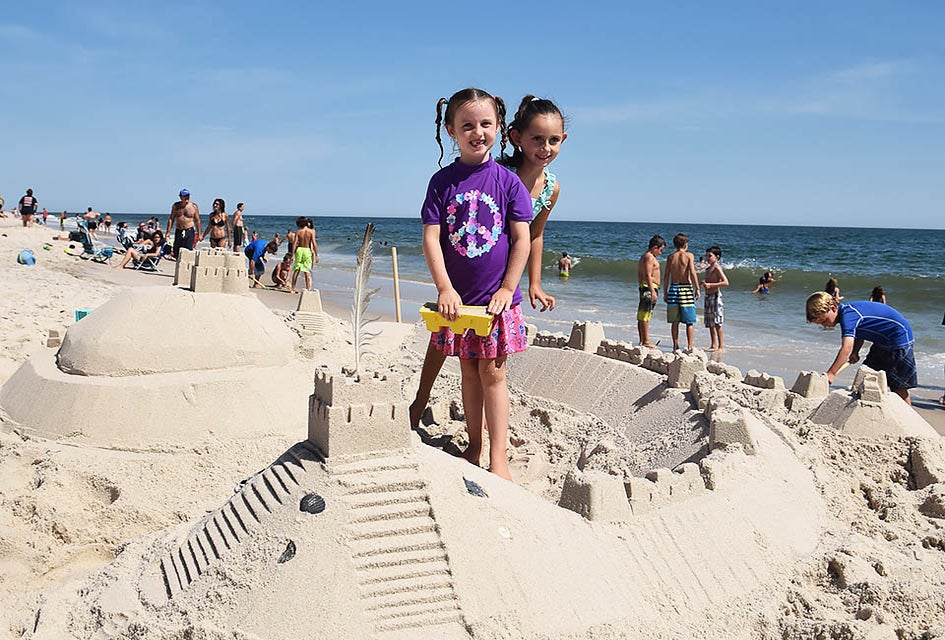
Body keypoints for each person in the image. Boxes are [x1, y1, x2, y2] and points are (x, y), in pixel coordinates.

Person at [410, 94, 568, 430]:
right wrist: (445, 286)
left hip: (498, 281)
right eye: (536, 139)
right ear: (516, 138)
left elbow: (533, 235)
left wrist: (532, 282)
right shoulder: (500, 170)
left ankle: (487, 441)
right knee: (445, 339)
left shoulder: (549, 187)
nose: (544, 148)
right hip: (467, 273)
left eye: (553, 140)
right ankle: (422, 397)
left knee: (486, 365)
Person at [418, 87, 531, 481]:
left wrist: (507, 288)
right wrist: (445, 288)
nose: (477, 132)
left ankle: (498, 457)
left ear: (499, 128)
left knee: (494, 373)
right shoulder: (441, 182)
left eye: (486, 124)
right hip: (460, 302)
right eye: (467, 125)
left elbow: (522, 240)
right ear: (451, 130)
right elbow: (432, 238)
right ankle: (474, 445)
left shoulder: (509, 183)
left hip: (498, 302)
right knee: (468, 371)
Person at [806, 291, 916, 405]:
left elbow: (846, 347)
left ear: (833, 308)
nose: (824, 325)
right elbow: (859, 332)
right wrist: (856, 351)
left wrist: (831, 373)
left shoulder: (848, 316)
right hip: (882, 342)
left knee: (898, 387)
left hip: (899, 340)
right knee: (867, 376)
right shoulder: (847, 313)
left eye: (824, 320)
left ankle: (908, 415)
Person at [663, 233, 699, 351]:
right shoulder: (689, 256)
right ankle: (690, 346)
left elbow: (666, 275)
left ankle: (675, 345)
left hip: (674, 288)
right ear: (685, 244)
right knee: (689, 321)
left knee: (675, 321)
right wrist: (697, 288)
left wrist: (665, 292)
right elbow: (692, 273)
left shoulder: (671, 257)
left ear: (674, 245)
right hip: (686, 288)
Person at [637, 235, 666, 348]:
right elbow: (648, 275)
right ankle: (646, 341)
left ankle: (642, 340)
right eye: (661, 250)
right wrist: (652, 290)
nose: (661, 253)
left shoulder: (644, 257)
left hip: (646, 287)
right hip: (649, 287)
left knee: (643, 314)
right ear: (655, 247)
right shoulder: (649, 257)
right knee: (645, 314)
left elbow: (640, 274)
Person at [701, 245, 729, 351]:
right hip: (708, 296)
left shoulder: (717, 267)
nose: (707, 258)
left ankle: (721, 345)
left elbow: (726, 282)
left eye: (710, 256)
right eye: (706, 256)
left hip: (715, 296)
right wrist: (705, 284)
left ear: (717, 257)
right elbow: (709, 282)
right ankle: (713, 344)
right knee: (710, 322)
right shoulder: (708, 269)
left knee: (717, 322)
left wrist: (711, 285)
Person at [166, 188, 201, 259]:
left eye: (188, 196)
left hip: (189, 230)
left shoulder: (193, 206)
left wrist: (199, 234)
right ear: (180, 197)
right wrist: (168, 232)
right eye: (185, 196)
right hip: (179, 230)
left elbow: (197, 221)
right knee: (177, 251)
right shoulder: (176, 206)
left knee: (188, 251)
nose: (187, 197)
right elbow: (171, 219)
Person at [290, 216, 319, 293]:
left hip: (299, 250)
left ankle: (293, 288)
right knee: (306, 270)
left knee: (297, 269)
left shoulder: (298, 232)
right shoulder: (312, 231)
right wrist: (316, 255)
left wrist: (292, 255)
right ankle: (308, 288)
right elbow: (314, 243)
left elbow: (294, 243)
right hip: (307, 250)